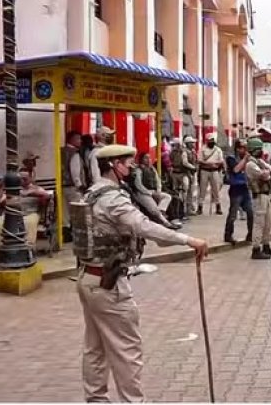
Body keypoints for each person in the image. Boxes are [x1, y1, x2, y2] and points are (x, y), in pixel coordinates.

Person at [74, 144, 208, 402]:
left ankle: (96, 399)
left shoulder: (92, 192)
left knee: (95, 347)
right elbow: (143, 226)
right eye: (126, 162)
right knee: (127, 350)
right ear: (113, 165)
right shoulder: (112, 198)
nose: (131, 166)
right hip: (109, 284)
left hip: (89, 278)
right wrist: (187, 240)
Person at [246, 138, 271, 260]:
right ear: (253, 150)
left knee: (268, 223)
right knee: (259, 223)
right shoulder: (250, 164)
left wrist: (268, 172)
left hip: (265, 195)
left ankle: (266, 245)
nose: (261, 151)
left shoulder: (259, 162)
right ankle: (256, 249)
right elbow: (265, 176)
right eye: (258, 149)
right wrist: (268, 173)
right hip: (258, 195)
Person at [130, 153, 179, 230]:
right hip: (142, 193)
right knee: (153, 208)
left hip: (153, 191)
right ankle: (166, 223)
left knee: (167, 196)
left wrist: (158, 191)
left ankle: (160, 212)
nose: (148, 160)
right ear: (141, 160)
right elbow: (138, 185)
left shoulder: (152, 168)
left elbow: (158, 181)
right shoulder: (138, 170)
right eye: (146, 158)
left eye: (149, 158)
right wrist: (150, 192)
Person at [224, 139, 254, 244]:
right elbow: (236, 170)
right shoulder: (231, 158)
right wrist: (245, 159)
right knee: (233, 214)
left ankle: (250, 235)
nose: (245, 150)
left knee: (250, 212)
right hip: (235, 189)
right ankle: (228, 235)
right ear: (237, 149)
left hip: (245, 189)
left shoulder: (246, 159)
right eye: (242, 148)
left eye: (246, 148)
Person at [62, 130, 87, 242]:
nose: (80, 141)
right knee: (78, 210)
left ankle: (65, 233)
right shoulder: (74, 153)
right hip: (72, 186)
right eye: (78, 138)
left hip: (62, 185)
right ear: (71, 139)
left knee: (65, 213)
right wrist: (80, 185)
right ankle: (78, 234)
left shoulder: (61, 151)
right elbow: (75, 171)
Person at [197, 133, 225, 215]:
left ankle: (218, 207)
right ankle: (200, 207)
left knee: (216, 189)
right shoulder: (202, 149)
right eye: (210, 140)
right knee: (202, 190)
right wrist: (208, 164)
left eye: (212, 140)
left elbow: (221, 160)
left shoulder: (218, 150)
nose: (211, 142)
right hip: (204, 171)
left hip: (215, 171)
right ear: (207, 141)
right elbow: (199, 160)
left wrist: (215, 164)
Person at [169, 138, 196, 221]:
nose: (174, 146)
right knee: (177, 193)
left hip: (183, 174)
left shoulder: (183, 152)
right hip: (176, 173)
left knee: (185, 192)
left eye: (175, 145)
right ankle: (180, 211)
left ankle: (184, 211)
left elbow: (184, 163)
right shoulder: (172, 153)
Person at [183, 136, 200, 215]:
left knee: (193, 191)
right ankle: (185, 208)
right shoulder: (184, 152)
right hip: (187, 173)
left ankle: (190, 209)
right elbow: (185, 162)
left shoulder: (193, 151)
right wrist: (193, 167)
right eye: (192, 143)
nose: (193, 144)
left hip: (193, 173)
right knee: (186, 191)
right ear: (188, 144)